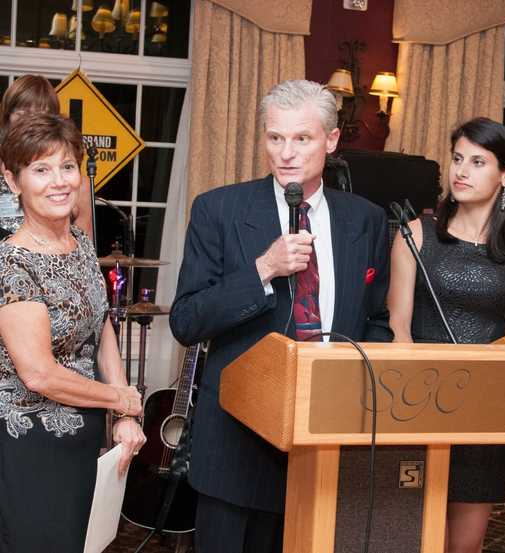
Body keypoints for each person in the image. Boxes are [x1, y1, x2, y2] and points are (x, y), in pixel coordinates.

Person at [169, 79, 391, 553]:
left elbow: (377, 319)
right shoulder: (219, 210)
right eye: (275, 137)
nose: (285, 153)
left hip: (326, 442)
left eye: (302, 138)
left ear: (331, 142)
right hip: (237, 444)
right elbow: (186, 320)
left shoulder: (366, 220)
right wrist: (263, 269)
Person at [387, 116, 505, 553]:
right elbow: (398, 328)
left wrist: (475, 399)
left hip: (482, 412)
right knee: (414, 539)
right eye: (458, 159)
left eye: (478, 162)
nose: (461, 171)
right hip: (416, 406)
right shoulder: (414, 234)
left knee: (464, 546)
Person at [0, 113, 145, 552]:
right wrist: (119, 399)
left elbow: (102, 325)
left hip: (81, 443)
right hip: (28, 447)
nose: (59, 181)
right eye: (41, 170)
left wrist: (124, 415)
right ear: (12, 181)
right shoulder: (12, 263)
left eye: (67, 167)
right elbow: (39, 374)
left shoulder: (80, 243)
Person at [0, 74, 93, 238]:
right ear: (7, 118)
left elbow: (84, 250)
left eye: (40, 115)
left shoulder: (77, 185)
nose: (31, 124)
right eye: (22, 115)